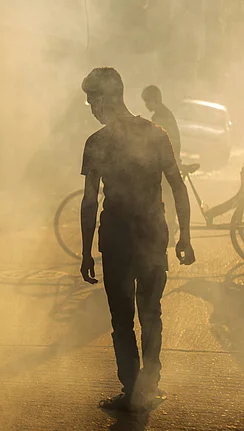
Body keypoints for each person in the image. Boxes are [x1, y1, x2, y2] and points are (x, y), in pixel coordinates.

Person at [80, 68, 196, 412]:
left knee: (122, 319)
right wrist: (185, 235)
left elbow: (90, 202)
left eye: (91, 100)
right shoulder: (155, 135)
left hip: (117, 240)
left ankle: (132, 390)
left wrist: (86, 252)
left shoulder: (97, 142)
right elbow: (177, 186)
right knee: (150, 314)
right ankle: (148, 387)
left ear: (105, 98)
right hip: (151, 235)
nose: (91, 108)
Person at [142, 85, 182, 243]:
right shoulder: (164, 114)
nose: (146, 105)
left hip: (166, 163)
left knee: (165, 197)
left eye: (147, 101)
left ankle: (169, 232)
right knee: (167, 197)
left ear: (154, 100)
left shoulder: (160, 117)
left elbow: (155, 142)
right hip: (169, 160)